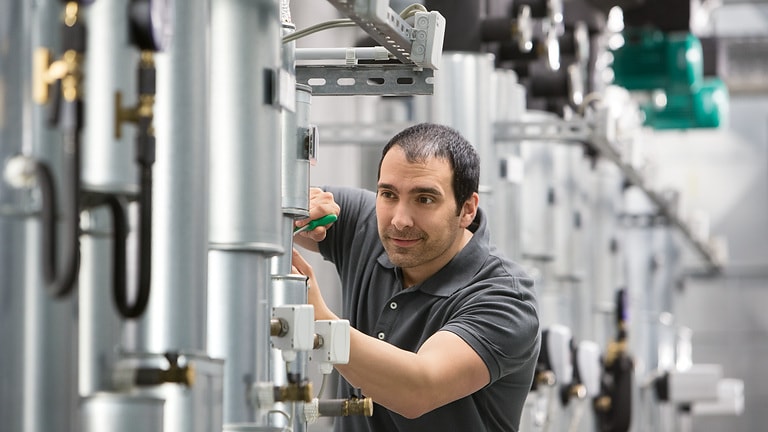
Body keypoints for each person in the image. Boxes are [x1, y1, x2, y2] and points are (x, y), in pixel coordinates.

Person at [292, 122, 540, 432]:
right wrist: (295, 210)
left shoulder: (506, 298)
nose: (400, 220)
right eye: (388, 194)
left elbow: (418, 388)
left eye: (424, 199)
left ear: (467, 209)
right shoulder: (366, 224)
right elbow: (257, 208)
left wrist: (319, 320)